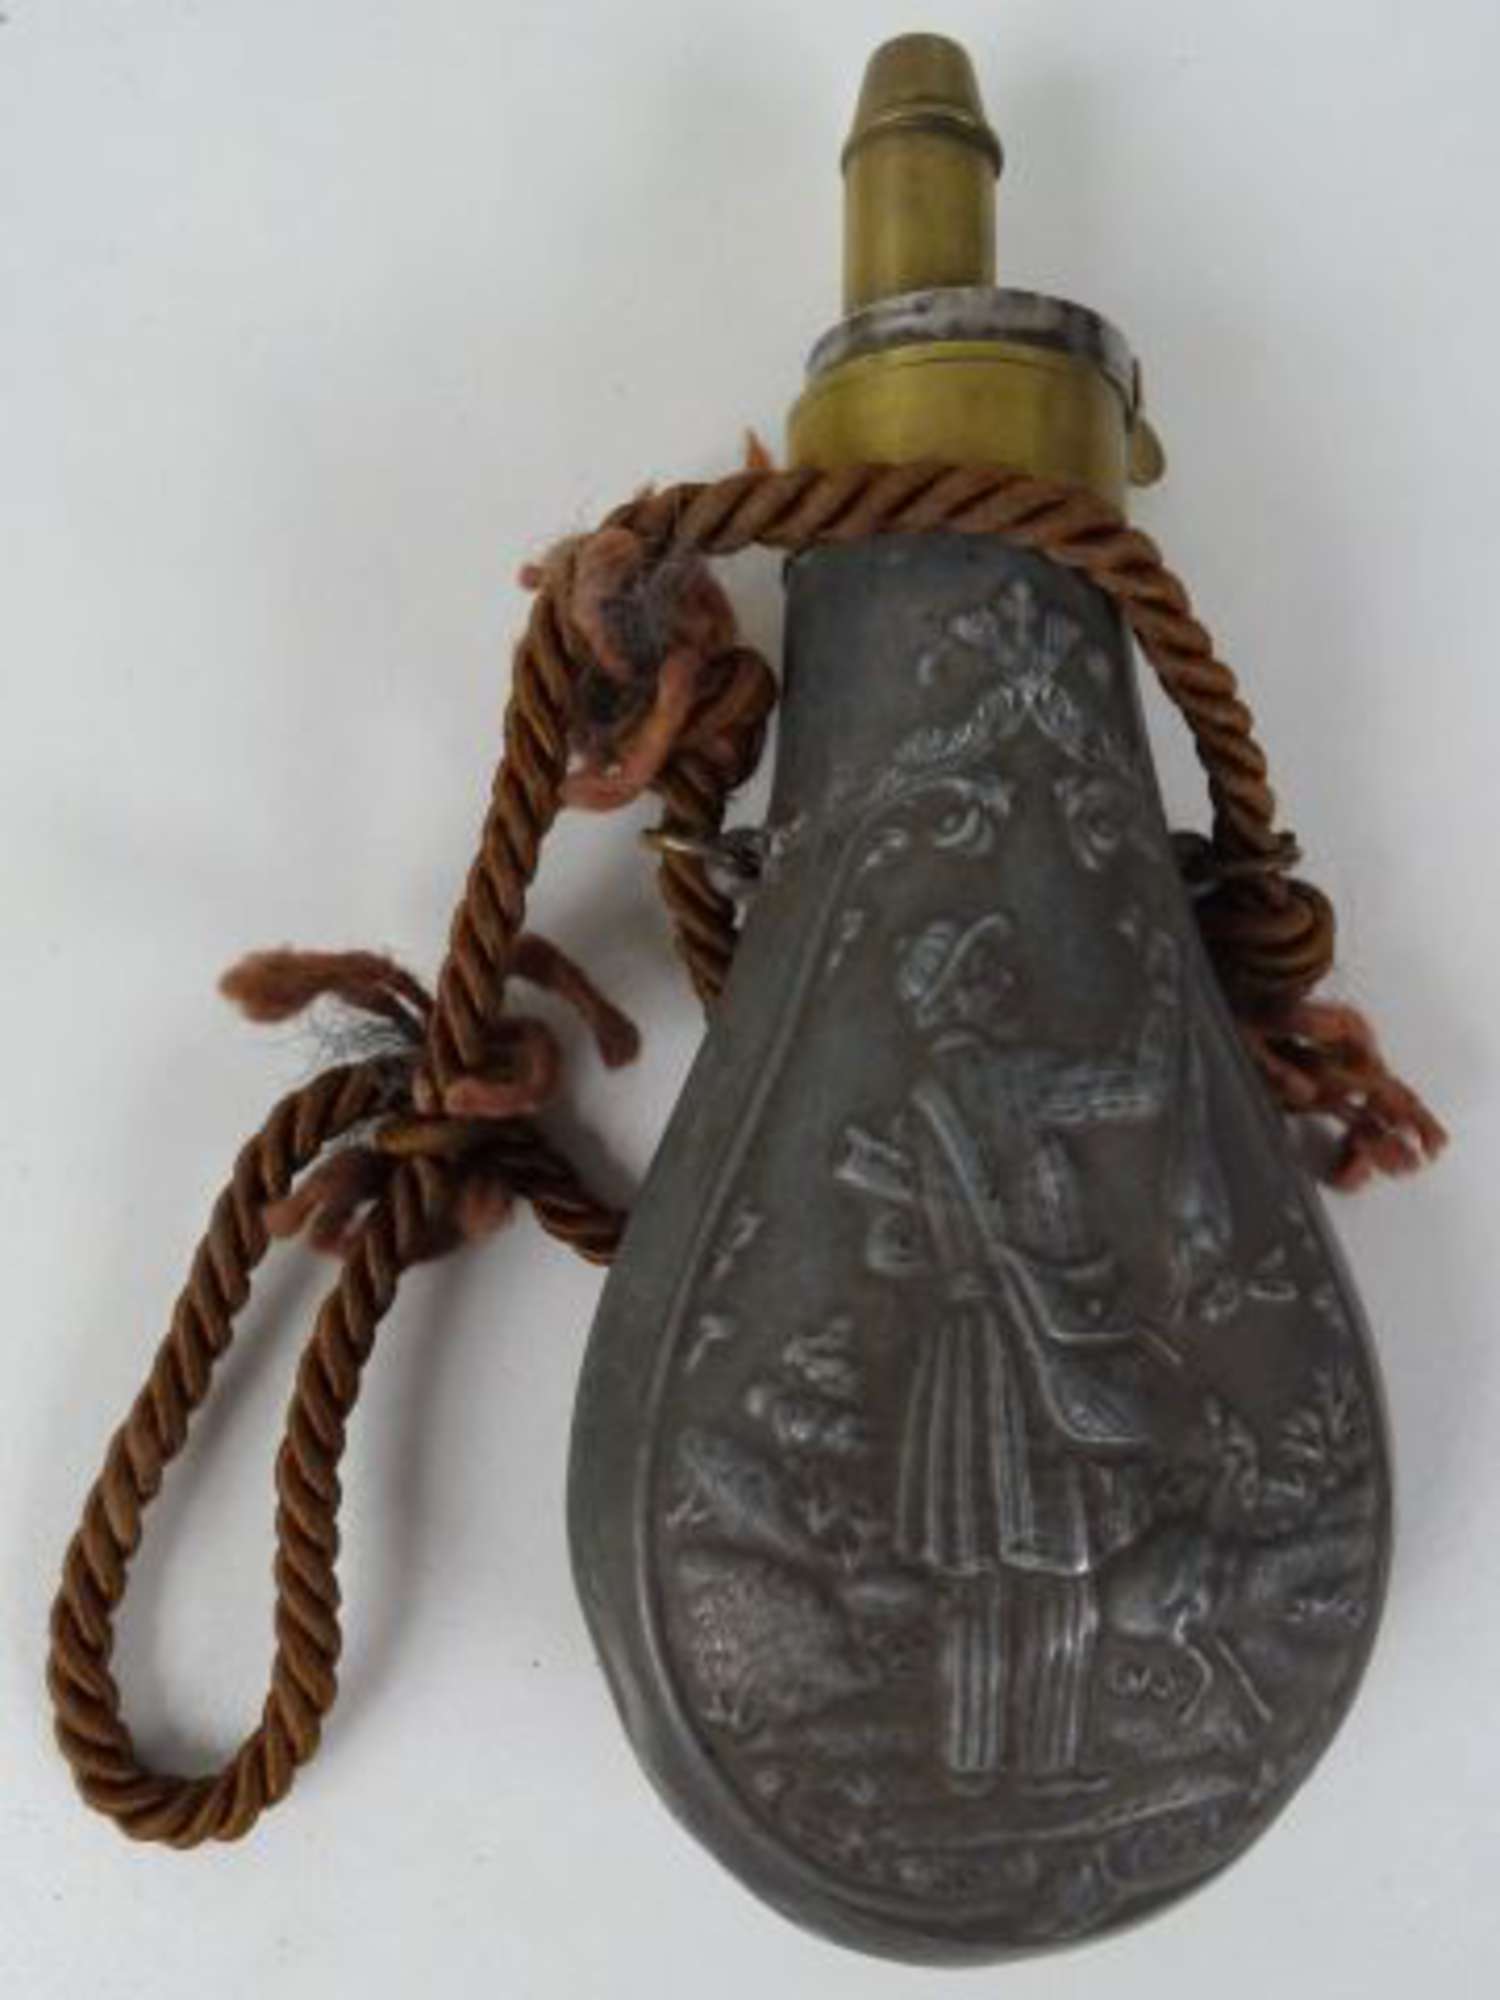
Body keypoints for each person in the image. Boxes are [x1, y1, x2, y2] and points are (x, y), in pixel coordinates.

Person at [835, 907, 1190, 1788]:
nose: (1008, 983)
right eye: (986, 972)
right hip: (1033, 1349)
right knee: (1061, 1564)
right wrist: (1165, 992)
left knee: (977, 1575)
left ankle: (967, 1763)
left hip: (958, 1358)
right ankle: (1051, 1765)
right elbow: (1142, 1091)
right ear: (957, 997)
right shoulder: (1015, 1081)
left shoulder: (920, 1103)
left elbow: (896, 1250)